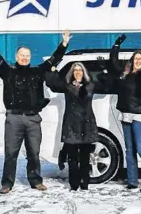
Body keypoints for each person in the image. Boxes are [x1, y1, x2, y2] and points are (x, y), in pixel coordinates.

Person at [0, 25, 70, 194]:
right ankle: (7, 183)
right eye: (21, 55)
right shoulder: (8, 72)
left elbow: (54, 60)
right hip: (14, 119)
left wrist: (64, 44)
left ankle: (36, 181)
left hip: (33, 119)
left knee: (34, 152)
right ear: (16, 56)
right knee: (10, 153)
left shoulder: (37, 71)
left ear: (31, 57)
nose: (24, 58)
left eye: (27, 55)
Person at [98, 35, 141, 193]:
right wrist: (116, 45)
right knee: (129, 149)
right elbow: (113, 62)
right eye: (136, 58)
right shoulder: (124, 74)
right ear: (132, 60)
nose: (138, 60)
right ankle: (132, 181)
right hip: (126, 114)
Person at [45, 62, 106, 191]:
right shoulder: (67, 86)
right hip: (71, 124)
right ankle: (74, 183)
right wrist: (53, 71)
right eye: (75, 70)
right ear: (72, 73)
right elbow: (52, 84)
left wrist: (104, 71)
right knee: (72, 157)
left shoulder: (90, 85)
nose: (78, 72)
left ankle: (85, 181)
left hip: (86, 124)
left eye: (80, 70)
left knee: (85, 156)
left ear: (84, 73)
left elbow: (107, 86)